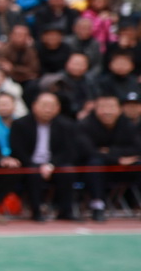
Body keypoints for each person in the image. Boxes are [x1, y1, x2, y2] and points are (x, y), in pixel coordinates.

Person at [8, 91, 81, 222]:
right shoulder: (20, 124)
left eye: (52, 106)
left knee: (67, 171)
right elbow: (17, 150)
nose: (48, 109)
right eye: (44, 105)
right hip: (29, 164)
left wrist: (51, 165)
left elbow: (68, 151)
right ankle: (36, 211)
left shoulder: (66, 125)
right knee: (33, 173)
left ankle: (65, 211)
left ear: (58, 108)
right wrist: (35, 166)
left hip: (54, 164)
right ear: (34, 106)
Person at [77, 94, 141, 221]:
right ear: (95, 108)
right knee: (95, 163)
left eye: (111, 107)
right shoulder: (85, 125)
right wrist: (117, 159)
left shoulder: (128, 124)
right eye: (103, 107)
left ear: (119, 109)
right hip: (93, 170)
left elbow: (136, 148)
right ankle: (97, 205)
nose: (107, 111)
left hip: (124, 167)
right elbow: (88, 151)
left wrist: (110, 151)